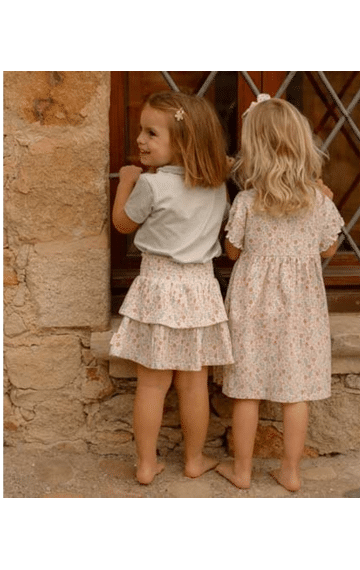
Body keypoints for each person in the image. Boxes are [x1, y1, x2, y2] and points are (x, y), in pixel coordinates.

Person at [216, 95, 344, 492]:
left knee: (247, 390)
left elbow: (232, 251)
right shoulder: (318, 201)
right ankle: (290, 471)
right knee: (296, 391)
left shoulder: (247, 202)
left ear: (253, 150)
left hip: (252, 303)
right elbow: (328, 248)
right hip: (301, 307)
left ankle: (241, 471)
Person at [109, 91, 234, 485]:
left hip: (159, 288)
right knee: (194, 384)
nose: (140, 140)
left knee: (151, 383)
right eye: (141, 131)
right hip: (200, 290)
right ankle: (194, 459)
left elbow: (123, 224)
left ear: (182, 142)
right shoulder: (217, 187)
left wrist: (126, 182)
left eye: (151, 133)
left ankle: (146, 465)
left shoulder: (152, 185)